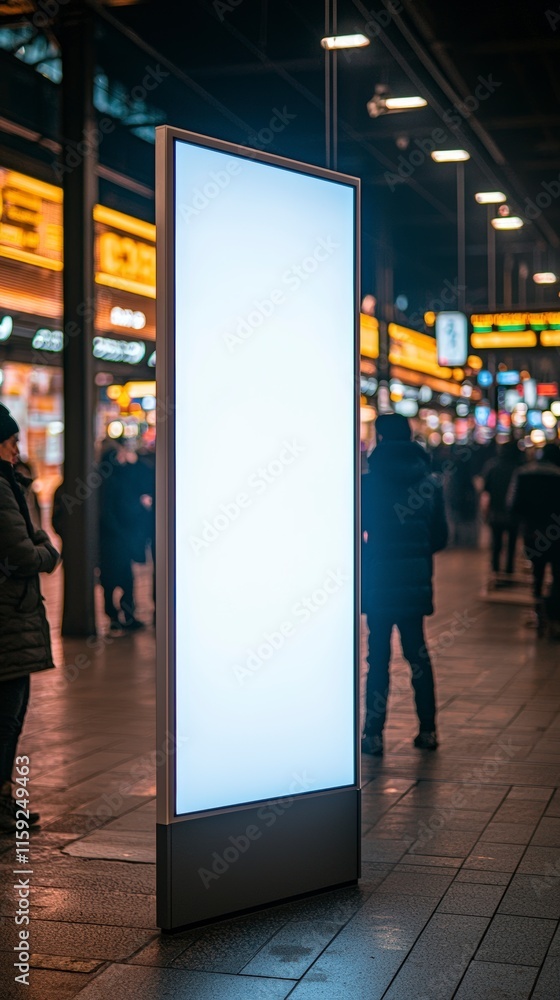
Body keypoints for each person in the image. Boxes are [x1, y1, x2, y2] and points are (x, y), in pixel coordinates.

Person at [361, 413, 448, 756]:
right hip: (414, 582)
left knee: (377, 658)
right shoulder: (430, 483)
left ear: (380, 440)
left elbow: (357, 534)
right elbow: (441, 537)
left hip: (379, 580)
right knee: (419, 658)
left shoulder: (368, 484)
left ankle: (373, 734)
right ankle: (428, 730)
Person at [0, 403, 59, 832]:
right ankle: (3, 803)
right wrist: (45, 555)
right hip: (9, 616)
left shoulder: (14, 484)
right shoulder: (3, 487)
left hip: (14, 615)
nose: (18, 449)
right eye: (13, 441)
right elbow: (24, 551)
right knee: (8, 713)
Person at [98, 437, 152, 632]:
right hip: (117, 537)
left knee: (112, 580)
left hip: (111, 539)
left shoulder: (104, 479)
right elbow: (117, 508)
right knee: (124, 579)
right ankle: (124, 615)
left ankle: (116, 615)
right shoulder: (115, 479)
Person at [508, 442, 560, 632]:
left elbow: (513, 504)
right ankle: (554, 615)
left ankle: (539, 613)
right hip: (556, 534)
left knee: (537, 572)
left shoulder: (523, 474)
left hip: (532, 532)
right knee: (557, 574)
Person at [481, 440, 522, 576]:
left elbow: (485, 490)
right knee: (511, 543)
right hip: (513, 512)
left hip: (496, 511)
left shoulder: (492, 466)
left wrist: (485, 511)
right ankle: (509, 568)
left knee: (496, 542)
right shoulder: (519, 468)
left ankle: (495, 568)